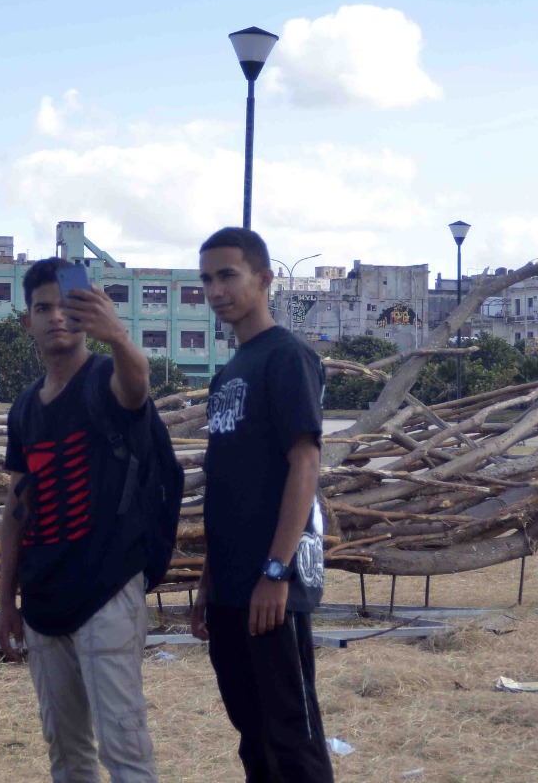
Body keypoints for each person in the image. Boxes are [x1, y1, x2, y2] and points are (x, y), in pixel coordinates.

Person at [0, 257, 163, 782]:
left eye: (68, 306)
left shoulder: (106, 379)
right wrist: (5, 602)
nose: (56, 318)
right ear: (28, 321)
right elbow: (16, 509)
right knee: (67, 756)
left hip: (106, 593)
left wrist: (119, 337)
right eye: (43, 308)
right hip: (43, 600)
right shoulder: (24, 408)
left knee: (125, 751)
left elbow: (138, 386)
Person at [191, 227, 333, 782]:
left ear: (265, 278)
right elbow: (228, 484)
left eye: (228, 275)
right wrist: (209, 581)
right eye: (207, 279)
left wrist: (276, 572)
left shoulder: (288, 357)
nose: (216, 290)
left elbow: (305, 463)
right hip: (230, 586)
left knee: (292, 739)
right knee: (253, 738)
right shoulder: (228, 373)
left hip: (273, 586)